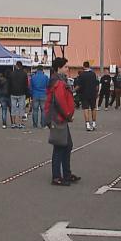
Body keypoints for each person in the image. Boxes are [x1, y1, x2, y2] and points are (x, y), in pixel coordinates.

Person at [46, 57, 81, 186]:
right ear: (59, 68)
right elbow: (60, 101)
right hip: (58, 118)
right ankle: (57, 176)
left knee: (67, 145)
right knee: (60, 147)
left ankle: (66, 173)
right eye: (66, 67)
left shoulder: (60, 81)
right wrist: (67, 115)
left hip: (60, 118)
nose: (68, 69)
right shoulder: (58, 83)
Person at [76, 61, 99, 131]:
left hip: (84, 94)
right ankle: (94, 123)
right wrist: (96, 92)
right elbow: (96, 84)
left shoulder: (81, 75)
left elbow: (78, 86)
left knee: (86, 109)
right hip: (92, 94)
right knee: (93, 108)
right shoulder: (93, 74)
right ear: (89, 66)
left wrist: (73, 91)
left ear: (83, 66)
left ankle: (88, 124)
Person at [8, 61, 29, 129]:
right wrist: (27, 93)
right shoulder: (24, 74)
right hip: (22, 93)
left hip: (13, 93)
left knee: (13, 108)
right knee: (21, 109)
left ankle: (13, 123)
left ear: (16, 66)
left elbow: (9, 84)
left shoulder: (12, 73)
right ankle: (20, 123)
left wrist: (9, 92)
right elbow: (26, 85)